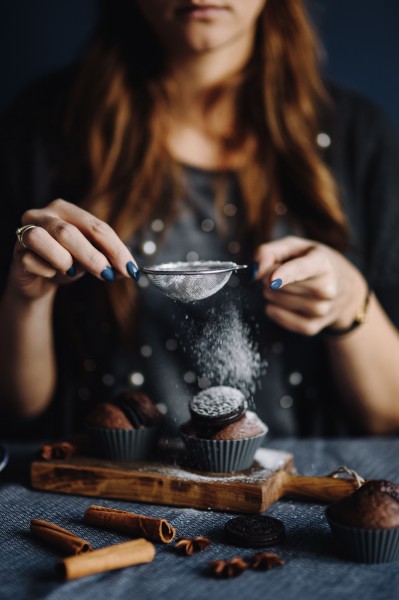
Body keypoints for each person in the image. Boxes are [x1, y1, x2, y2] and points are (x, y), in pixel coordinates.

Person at [1, 0, 399, 441]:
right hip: (103, 486)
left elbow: (388, 415)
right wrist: (27, 301)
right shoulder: (43, 129)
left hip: (292, 493)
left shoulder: (359, 137)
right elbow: (16, 411)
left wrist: (350, 306)